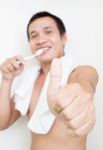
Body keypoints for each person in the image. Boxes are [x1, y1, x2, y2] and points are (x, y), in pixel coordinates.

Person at [0, 11, 98, 150]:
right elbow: (2, 123)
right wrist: (7, 79)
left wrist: (83, 100)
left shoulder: (81, 72)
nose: (40, 40)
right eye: (34, 36)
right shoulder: (29, 82)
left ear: (64, 38)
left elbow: (85, 84)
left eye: (48, 32)